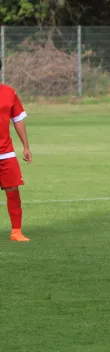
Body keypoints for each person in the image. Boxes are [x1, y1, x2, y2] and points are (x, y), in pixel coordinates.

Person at [0, 61, 32, 242]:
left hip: (6, 152)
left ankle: (16, 232)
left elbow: (18, 119)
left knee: (13, 190)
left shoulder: (9, 92)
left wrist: (26, 146)